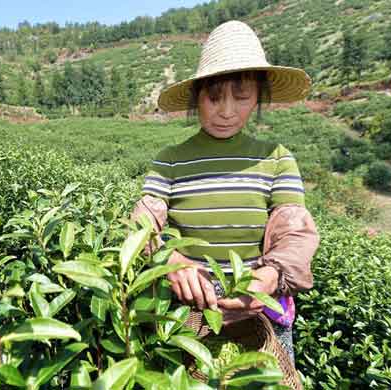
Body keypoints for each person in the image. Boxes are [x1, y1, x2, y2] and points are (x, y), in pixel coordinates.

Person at [131, 20, 319, 362]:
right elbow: (142, 224)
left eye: (242, 96)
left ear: (258, 96)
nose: (227, 111)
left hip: (256, 312)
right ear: (196, 95)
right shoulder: (170, 161)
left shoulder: (276, 159)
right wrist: (169, 259)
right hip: (186, 314)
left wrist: (270, 277)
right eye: (214, 97)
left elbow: (296, 234)